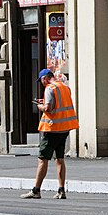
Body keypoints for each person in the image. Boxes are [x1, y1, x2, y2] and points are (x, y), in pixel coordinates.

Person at [21, 69, 79, 199]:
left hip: (52, 129)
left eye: (41, 80)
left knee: (42, 159)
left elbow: (49, 108)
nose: (42, 83)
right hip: (64, 129)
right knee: (59, 159)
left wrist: (40, 107)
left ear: (45, 78)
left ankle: (36, 190)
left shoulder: (49, 88)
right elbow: (59, 105)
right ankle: (61, 190)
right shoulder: (65, 87)